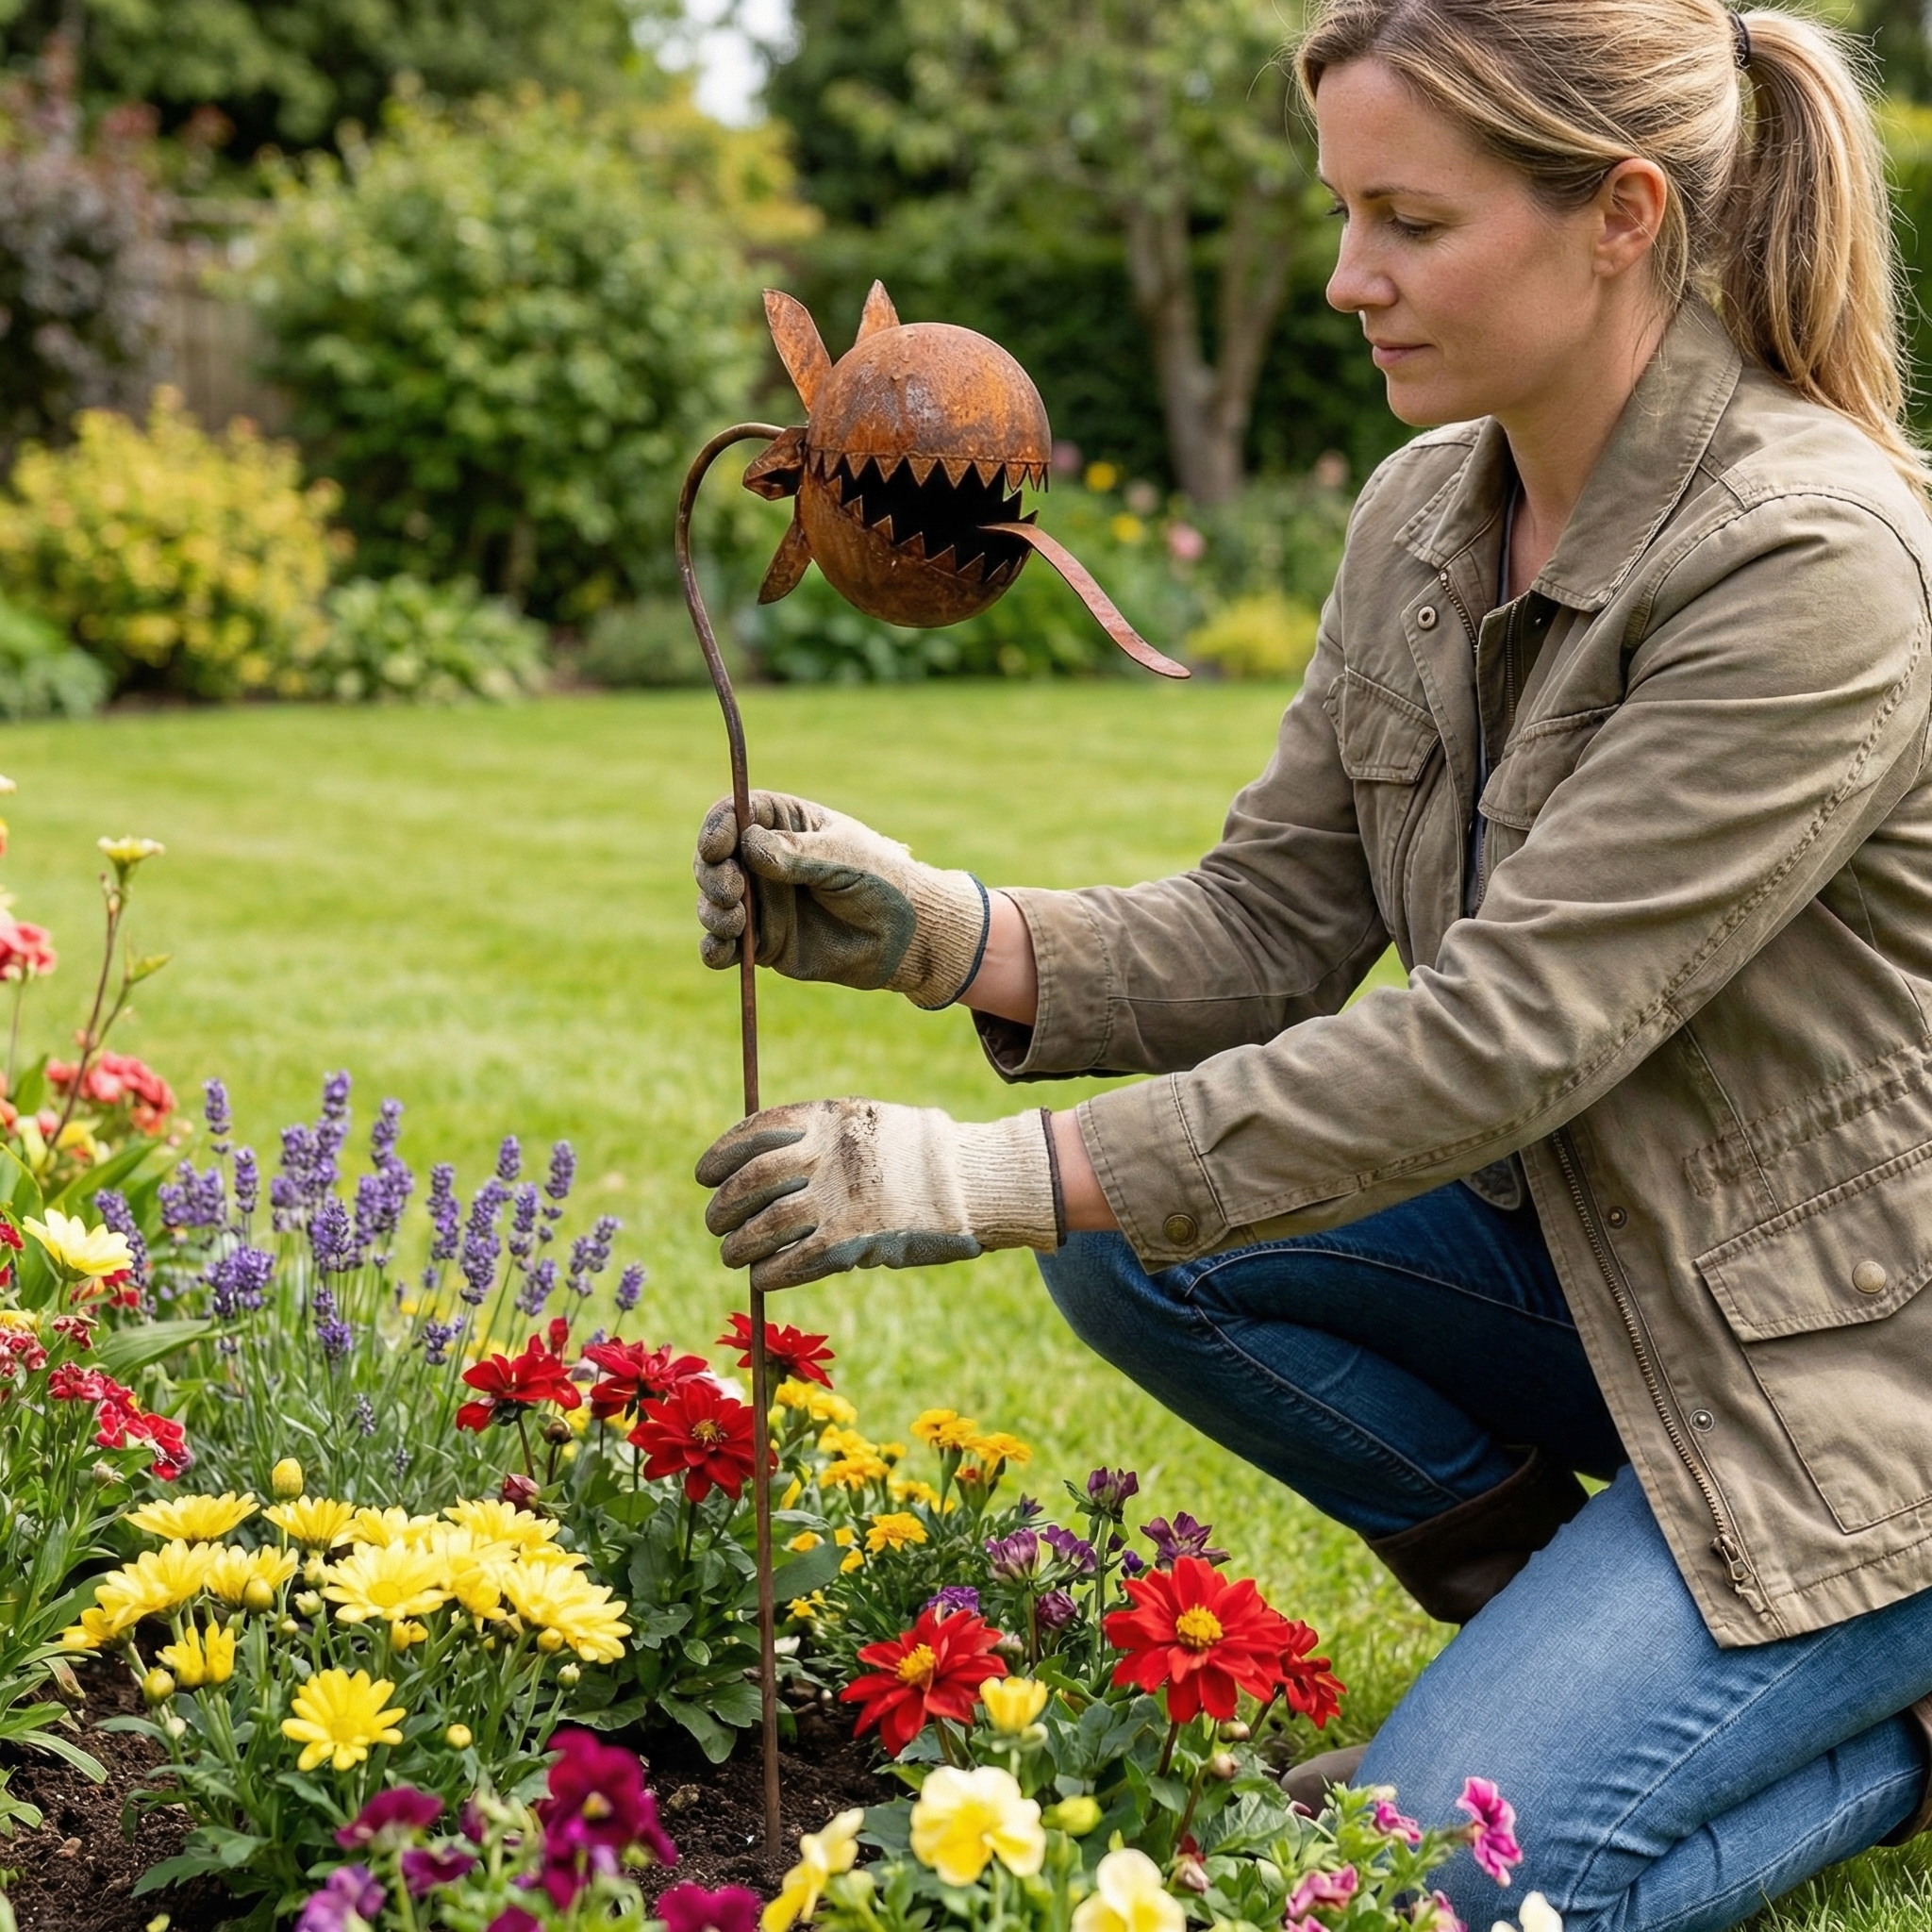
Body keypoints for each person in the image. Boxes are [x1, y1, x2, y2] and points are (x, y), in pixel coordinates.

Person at [690, 4, 1932, 1927]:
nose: (1351, 276)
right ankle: (1564, 1639)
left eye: (1406, 224)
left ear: (1616, 214)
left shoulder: (1810, 563)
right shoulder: (1428, 512)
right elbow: (1272, 923)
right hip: (1621, 1280)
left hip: (1850, 1388)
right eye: (1341, 212)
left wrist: (980, 1172)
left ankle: (1878, 1720)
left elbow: (1503, 1040)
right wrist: (950, 933)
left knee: (1422, 1878)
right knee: (1146, 1226)